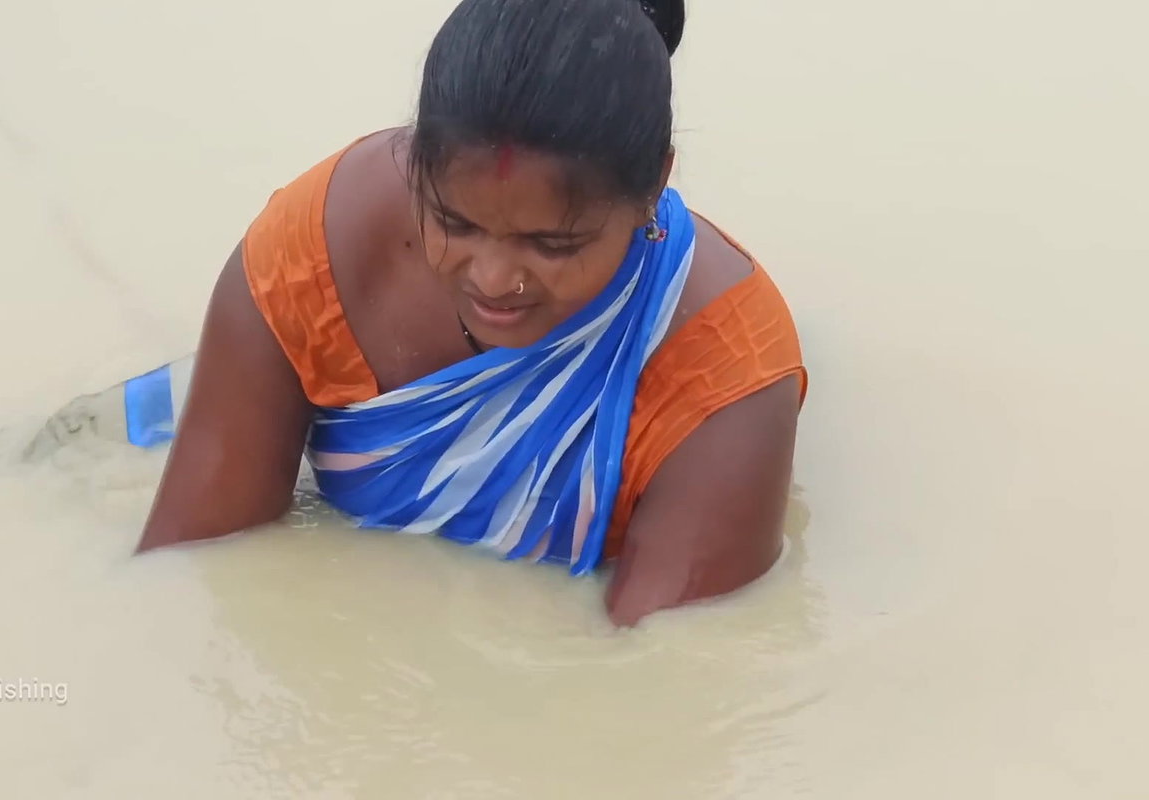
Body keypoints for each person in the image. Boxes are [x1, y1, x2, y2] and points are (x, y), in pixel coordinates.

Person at [136, 0, 807, 627]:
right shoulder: (317, 251)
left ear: (656, 186)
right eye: (454, 222)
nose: (494, 280)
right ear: (416, 164)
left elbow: (651, 691)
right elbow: (191, 575)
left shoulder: (727, 381)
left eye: (553, 244)